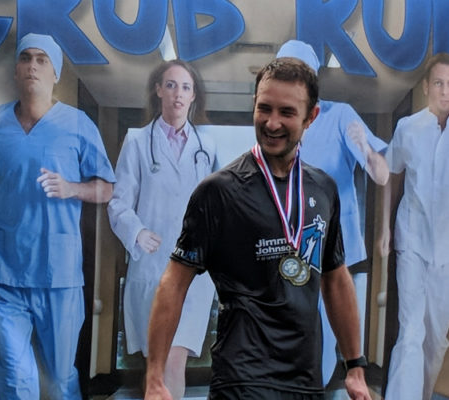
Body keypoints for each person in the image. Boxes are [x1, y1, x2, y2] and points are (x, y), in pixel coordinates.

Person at [144, 58, 372, 400]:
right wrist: (154, 376)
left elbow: (336, 279)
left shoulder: (323, 189)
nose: (272, 122)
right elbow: (174, 283)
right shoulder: (218, 191)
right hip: (241, 380)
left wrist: (355, 366)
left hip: (305, 381)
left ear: (311, 117)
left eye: (287, 112)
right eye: (264, 108)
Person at [0, 33, 115, 399]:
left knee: (58, 377)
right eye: (26, 58)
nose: (33, 65)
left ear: (55, 73)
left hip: (59, 272)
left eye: (42, 59)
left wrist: (72, 188)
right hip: (5, 268)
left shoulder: (78, 124)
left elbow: (106, 188)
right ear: (17, 69)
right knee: (15, 374)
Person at [276, 40, 390, 390]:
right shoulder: (275, 121)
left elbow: (381, 174)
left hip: (328, 249)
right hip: (282, 245)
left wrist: (368, 154)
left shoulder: (339, 116)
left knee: (322, 335)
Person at [107, 59, 216, 399]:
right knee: (156, 364)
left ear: (193, 94)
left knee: (175, 361)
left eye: (185, 87)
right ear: (158, 90)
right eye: (170, 85)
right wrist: (136, 232)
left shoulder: (207, 147)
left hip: (194, 272)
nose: (177, 94)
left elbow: (218, 208)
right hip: (151, 266)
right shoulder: (138, 141)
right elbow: (118, 202)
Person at [383, 52, 449, 400]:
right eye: (438, 83)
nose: (445, 91)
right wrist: (385, 230)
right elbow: (391, 175)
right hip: (411, 241)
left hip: (447, 252)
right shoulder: (407, 128)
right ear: (426, 87)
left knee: (436, 339)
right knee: (411, 333)